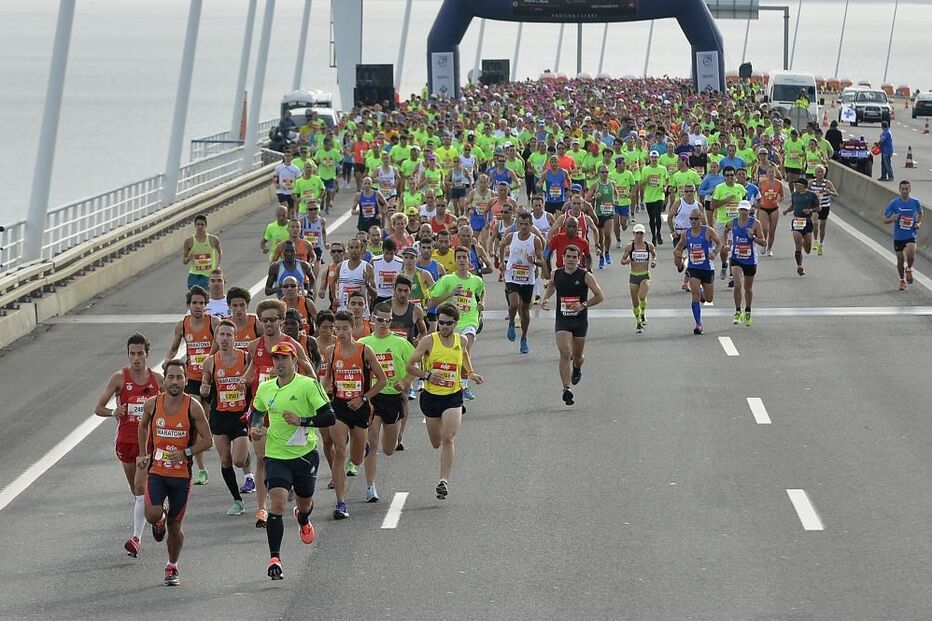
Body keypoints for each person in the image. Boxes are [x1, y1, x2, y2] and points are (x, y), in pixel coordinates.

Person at [249, 342, 334, 580]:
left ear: (295, 361)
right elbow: (257, 412)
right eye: (276, 358)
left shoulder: (308, 385)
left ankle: (303, 517)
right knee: (277, 503)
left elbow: (329, 416)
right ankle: (274, 559)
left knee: (305, 502)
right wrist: (255, 427)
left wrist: (302, 420)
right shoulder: (265, 388)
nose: (280, 363)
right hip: (276, 455)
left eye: (284, 358)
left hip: (304, 455)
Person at [136, 359, 212, 586]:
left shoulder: (193, 407)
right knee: (152, 514)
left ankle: (172, 566)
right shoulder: (152, 404)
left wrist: (186, 452)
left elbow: (207, 440)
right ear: (164, 380)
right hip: (157, 472)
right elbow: (142, 426)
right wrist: (143, 454)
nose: (175, 381)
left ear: (186, 380)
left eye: (179, 377)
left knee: (175, 526)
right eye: (171, 377)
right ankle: (158, 519)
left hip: (181, 477)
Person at [244, 298, 316, 528]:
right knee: (261, 457)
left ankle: (288, 484)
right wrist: (243, 380)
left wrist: (290, 377)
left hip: (287, 413)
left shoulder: (292, 345)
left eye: (272, 320)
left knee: (286, 457)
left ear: (281, 321)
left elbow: (311, 375)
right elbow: (249, 373)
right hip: (262, 410)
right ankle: (262, 509)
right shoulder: (254, 346)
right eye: (263, 320)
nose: (267, 324)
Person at [94, 333, 164, 558]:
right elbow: (98, 408)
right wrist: (114, 411)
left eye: (140, 354)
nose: (136, 358)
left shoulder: (158, 380)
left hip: (150, 444)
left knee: (141, 488)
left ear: (147, 354)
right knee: (137, 492)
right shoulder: (119, 378)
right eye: (132, 354)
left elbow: (170, 406)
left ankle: (136, 539)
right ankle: (159, 517)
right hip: (126, 442)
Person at [405, 303, 484, 500]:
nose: (444, 327)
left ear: (455, 323)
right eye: (441, 323)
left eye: (449, 323)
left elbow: (464, 355)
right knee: (436, 442)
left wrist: (471, 373)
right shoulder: (428, 341)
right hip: (431, 397)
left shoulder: (461, 340)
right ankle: (442, 467)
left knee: (448, 438)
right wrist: (427, 375)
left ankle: (443, 481)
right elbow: (409, 366)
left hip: (453, 396)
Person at [320, 310, 388, 520]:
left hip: (360, 407)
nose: (340, 333)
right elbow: (327, 378)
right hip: (339, 406)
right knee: (339, 449)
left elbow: (382, 381)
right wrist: (321, 396)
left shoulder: (365, 350)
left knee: (357, 459)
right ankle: (340, 503)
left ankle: (363, 446)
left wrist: (363, 399)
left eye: (344, 328)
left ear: (352, 328)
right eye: (337, 329)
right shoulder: (331, 351)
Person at [359, 302, 416, 502]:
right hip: (373, 395)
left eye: (388, 320)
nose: (384, 324)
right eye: (380, 320)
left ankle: (396, 437)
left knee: (389, 449)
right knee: (372, 440)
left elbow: (415, 364)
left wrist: (406, 381)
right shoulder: (363, 343)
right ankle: (370, 486)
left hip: (393, 396)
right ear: (372, 320)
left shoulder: (400, 343)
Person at [162, 286, 219, 485]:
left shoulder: (214, 323)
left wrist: (209, 360)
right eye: (194, 303)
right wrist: (167, 360)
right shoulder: (182, 325)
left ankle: (214, 441)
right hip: (192, 378)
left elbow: (221, 345)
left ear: (206, 305)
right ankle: (201, 469)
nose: (198, 306)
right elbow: (173, 349)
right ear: (188, 305)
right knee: (195, 422)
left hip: (212, 377)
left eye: (201, 303)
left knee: (208, 418)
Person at [540, 244, 604, 405]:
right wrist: (546, 298)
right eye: (568, 256)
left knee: (577, 357)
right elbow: (552, 285)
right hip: (563, 320)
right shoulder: (556, 273)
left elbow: (599, 296)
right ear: (563, 258)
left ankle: (577, 367)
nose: (570, 260)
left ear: (579, 259)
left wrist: (583, 305)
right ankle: (566, 389)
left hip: (579, 321)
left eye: (574, 257)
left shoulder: (586, 276)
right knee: (565, 353)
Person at [200, 320, 250, 516]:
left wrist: (246, 384)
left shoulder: (245, 358)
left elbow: (254, 381)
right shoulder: (210, 362)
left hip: (240, 415)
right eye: (222, 334)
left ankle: (245, 455)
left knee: (239, 461)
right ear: (216, 337)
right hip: (219, 416)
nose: (225, 338)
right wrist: (204, 390)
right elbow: (205, 387)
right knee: (226, 460)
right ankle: (237, 500)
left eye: (229, 335)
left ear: (235, 338)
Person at [500, 212, 545, 353]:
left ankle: (524, 338)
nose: (523, 227)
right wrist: (501, 262)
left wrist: (534, 261)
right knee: (514, 304)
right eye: (521, 224)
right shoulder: (511, 237)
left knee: (524, 311)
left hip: (527, 279)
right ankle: (511, 322)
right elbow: (501, 246)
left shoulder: (535, 240)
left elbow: (541, 261)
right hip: (512, 276)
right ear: (517, 224)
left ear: (531, 225)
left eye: (526, 224)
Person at [673, 207, 722, 335]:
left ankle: (702, 293)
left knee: (709, 299)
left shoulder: (708, 231)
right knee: (694, 295)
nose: (693, 221)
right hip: (693, 268)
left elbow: (719, 243)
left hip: (707, 268)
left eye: (695, 219)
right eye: (691, 219)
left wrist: (715, 253)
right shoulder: (686, 233)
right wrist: (678, 254)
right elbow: (679, 247)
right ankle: (698, 324)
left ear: (701, 219)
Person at [722, 201, 767, 326]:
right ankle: (737, 311)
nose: (743, 212)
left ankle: (747, 310)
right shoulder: (733, 222)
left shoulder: (755, 223)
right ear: (738, 210)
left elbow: (763, 242)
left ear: (749, 211)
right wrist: (726, 244)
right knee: (737, 285)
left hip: (750, 259)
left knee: (748, 288)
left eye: (745, 210)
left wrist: (753, 237)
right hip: (736, 258)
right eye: (741, 209)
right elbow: (725, 231)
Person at [882, 180, 923, 290]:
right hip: (898, 236)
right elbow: (885, 219)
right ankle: (902, 280)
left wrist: (918, 223)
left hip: (911, 234)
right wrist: (893, 218)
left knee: (910, 253)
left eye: (907, 189)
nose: (905, 191)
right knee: (900, 260)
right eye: (903, 189)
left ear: (910, 189)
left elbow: (920, 213)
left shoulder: (915, 202)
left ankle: (909, 268)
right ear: (899, 190)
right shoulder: (894, 203)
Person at [619, 224, 656, 333]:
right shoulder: (630, 247)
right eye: (637, 233)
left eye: (641, 233)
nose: (639, 235)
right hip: (633, 275)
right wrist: (627, 261)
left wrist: (653, 261)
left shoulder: (648, 246)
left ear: (643, 234)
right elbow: (622, 260)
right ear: (634, 234)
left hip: (645, 275)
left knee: (642, 296)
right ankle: (638, 322)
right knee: (635, 302)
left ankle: (643, 313)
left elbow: (654, 255)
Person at [783, 177, 819, 276]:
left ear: (803, 186)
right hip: (797, 221)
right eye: (795, 185)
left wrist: (810, 210)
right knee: (797, 243)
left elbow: (818, 208)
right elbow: (793, 205)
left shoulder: (812, 195)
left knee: (808, 249)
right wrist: (787, 211)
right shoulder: (794, 195)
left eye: (797, 185)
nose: (795, 187)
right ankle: (799, 266)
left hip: (807, 221)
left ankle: (803, 242)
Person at [181, 214, 222, 291]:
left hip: (208, 274)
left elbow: (220, 253)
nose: (200, 226)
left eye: (202, 224)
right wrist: (188, 258)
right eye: (198, 224)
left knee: (206, 295)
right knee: (194, 296)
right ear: (195, 225)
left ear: (206, 225)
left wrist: (217, 266)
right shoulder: (189, 241)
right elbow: (184, 261)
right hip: (194, 275)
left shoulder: (213, 239)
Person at [808, 165, 838, 255]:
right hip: (815, 206)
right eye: (818, 172)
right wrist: (811, 193)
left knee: (822, 226)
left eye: (821, 172)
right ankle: (815, 241)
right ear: (815, 173)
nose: (820, 174)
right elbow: (805, 191)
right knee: (815, 223)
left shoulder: (827, 183)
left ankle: (821, 244)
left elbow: (836, 194)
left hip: (825, 205)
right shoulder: (811, 182)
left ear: (824, 173)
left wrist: (829, 192)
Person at [757, 164, 784, 256]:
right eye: (769, 172)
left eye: (773, 172)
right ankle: (764, 244)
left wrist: (778, 200)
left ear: (775, 173)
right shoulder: (762, 183)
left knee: (772, 230)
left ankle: (770, 248)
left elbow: (782, 196)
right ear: (766, 173)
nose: (771, 174)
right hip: (763, 208)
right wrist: (759, 203)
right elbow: (758, 195)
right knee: (764, 228)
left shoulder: (779, 183)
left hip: (774, 208)